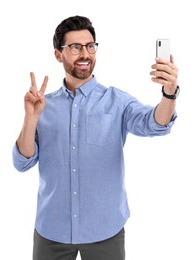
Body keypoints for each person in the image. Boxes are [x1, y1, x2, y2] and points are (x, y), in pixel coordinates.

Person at [12, 15, 179, 260]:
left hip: (105, 230)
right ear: (59, 55)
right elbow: (22, 162)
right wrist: (30, 118)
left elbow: (155, 123)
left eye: (90, 46)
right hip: (52, 231)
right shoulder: (43, 105)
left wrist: (169, 93)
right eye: (76, 47)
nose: (85, 54)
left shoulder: (117, 100)